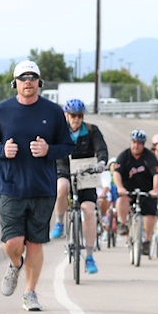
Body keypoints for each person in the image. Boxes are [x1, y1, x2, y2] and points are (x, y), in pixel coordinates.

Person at [0, 60, 75, 311]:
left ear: (39, 82)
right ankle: (14, 265)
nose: (28, 82)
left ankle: (30, 293)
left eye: (33, 78)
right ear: (16, 83)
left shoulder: (53, 112)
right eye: (23, 78)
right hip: (10, 187)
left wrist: (48, 150)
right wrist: (3, 150)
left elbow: (67, 146)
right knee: (13, 243)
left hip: (42, 188)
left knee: (34, 243)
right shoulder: (2, 111)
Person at [49, 99, 109, 275]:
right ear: (66, 116)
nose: (76, 119)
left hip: (86, 171)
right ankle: (59, 223)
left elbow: (101, 149)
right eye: (73, 116)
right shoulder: (59, 131)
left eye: (80, 115)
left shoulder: (91, 130)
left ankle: (89, 256)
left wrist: (102, 162)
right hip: (64, 167)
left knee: (89, 211)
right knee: (62, 187)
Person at [112, 129, 158, 256]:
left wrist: (155, 189)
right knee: (121, 200)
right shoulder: (124, 156)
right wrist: (120, 187)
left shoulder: (149, 156)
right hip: (128, 191)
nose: (136, 145)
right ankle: (123, 223)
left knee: (150, 213)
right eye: (134, 142)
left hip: (146, 191)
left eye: (139, 143)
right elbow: (116, 173)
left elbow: (157, 174)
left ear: (143, 144)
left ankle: (147, 240)